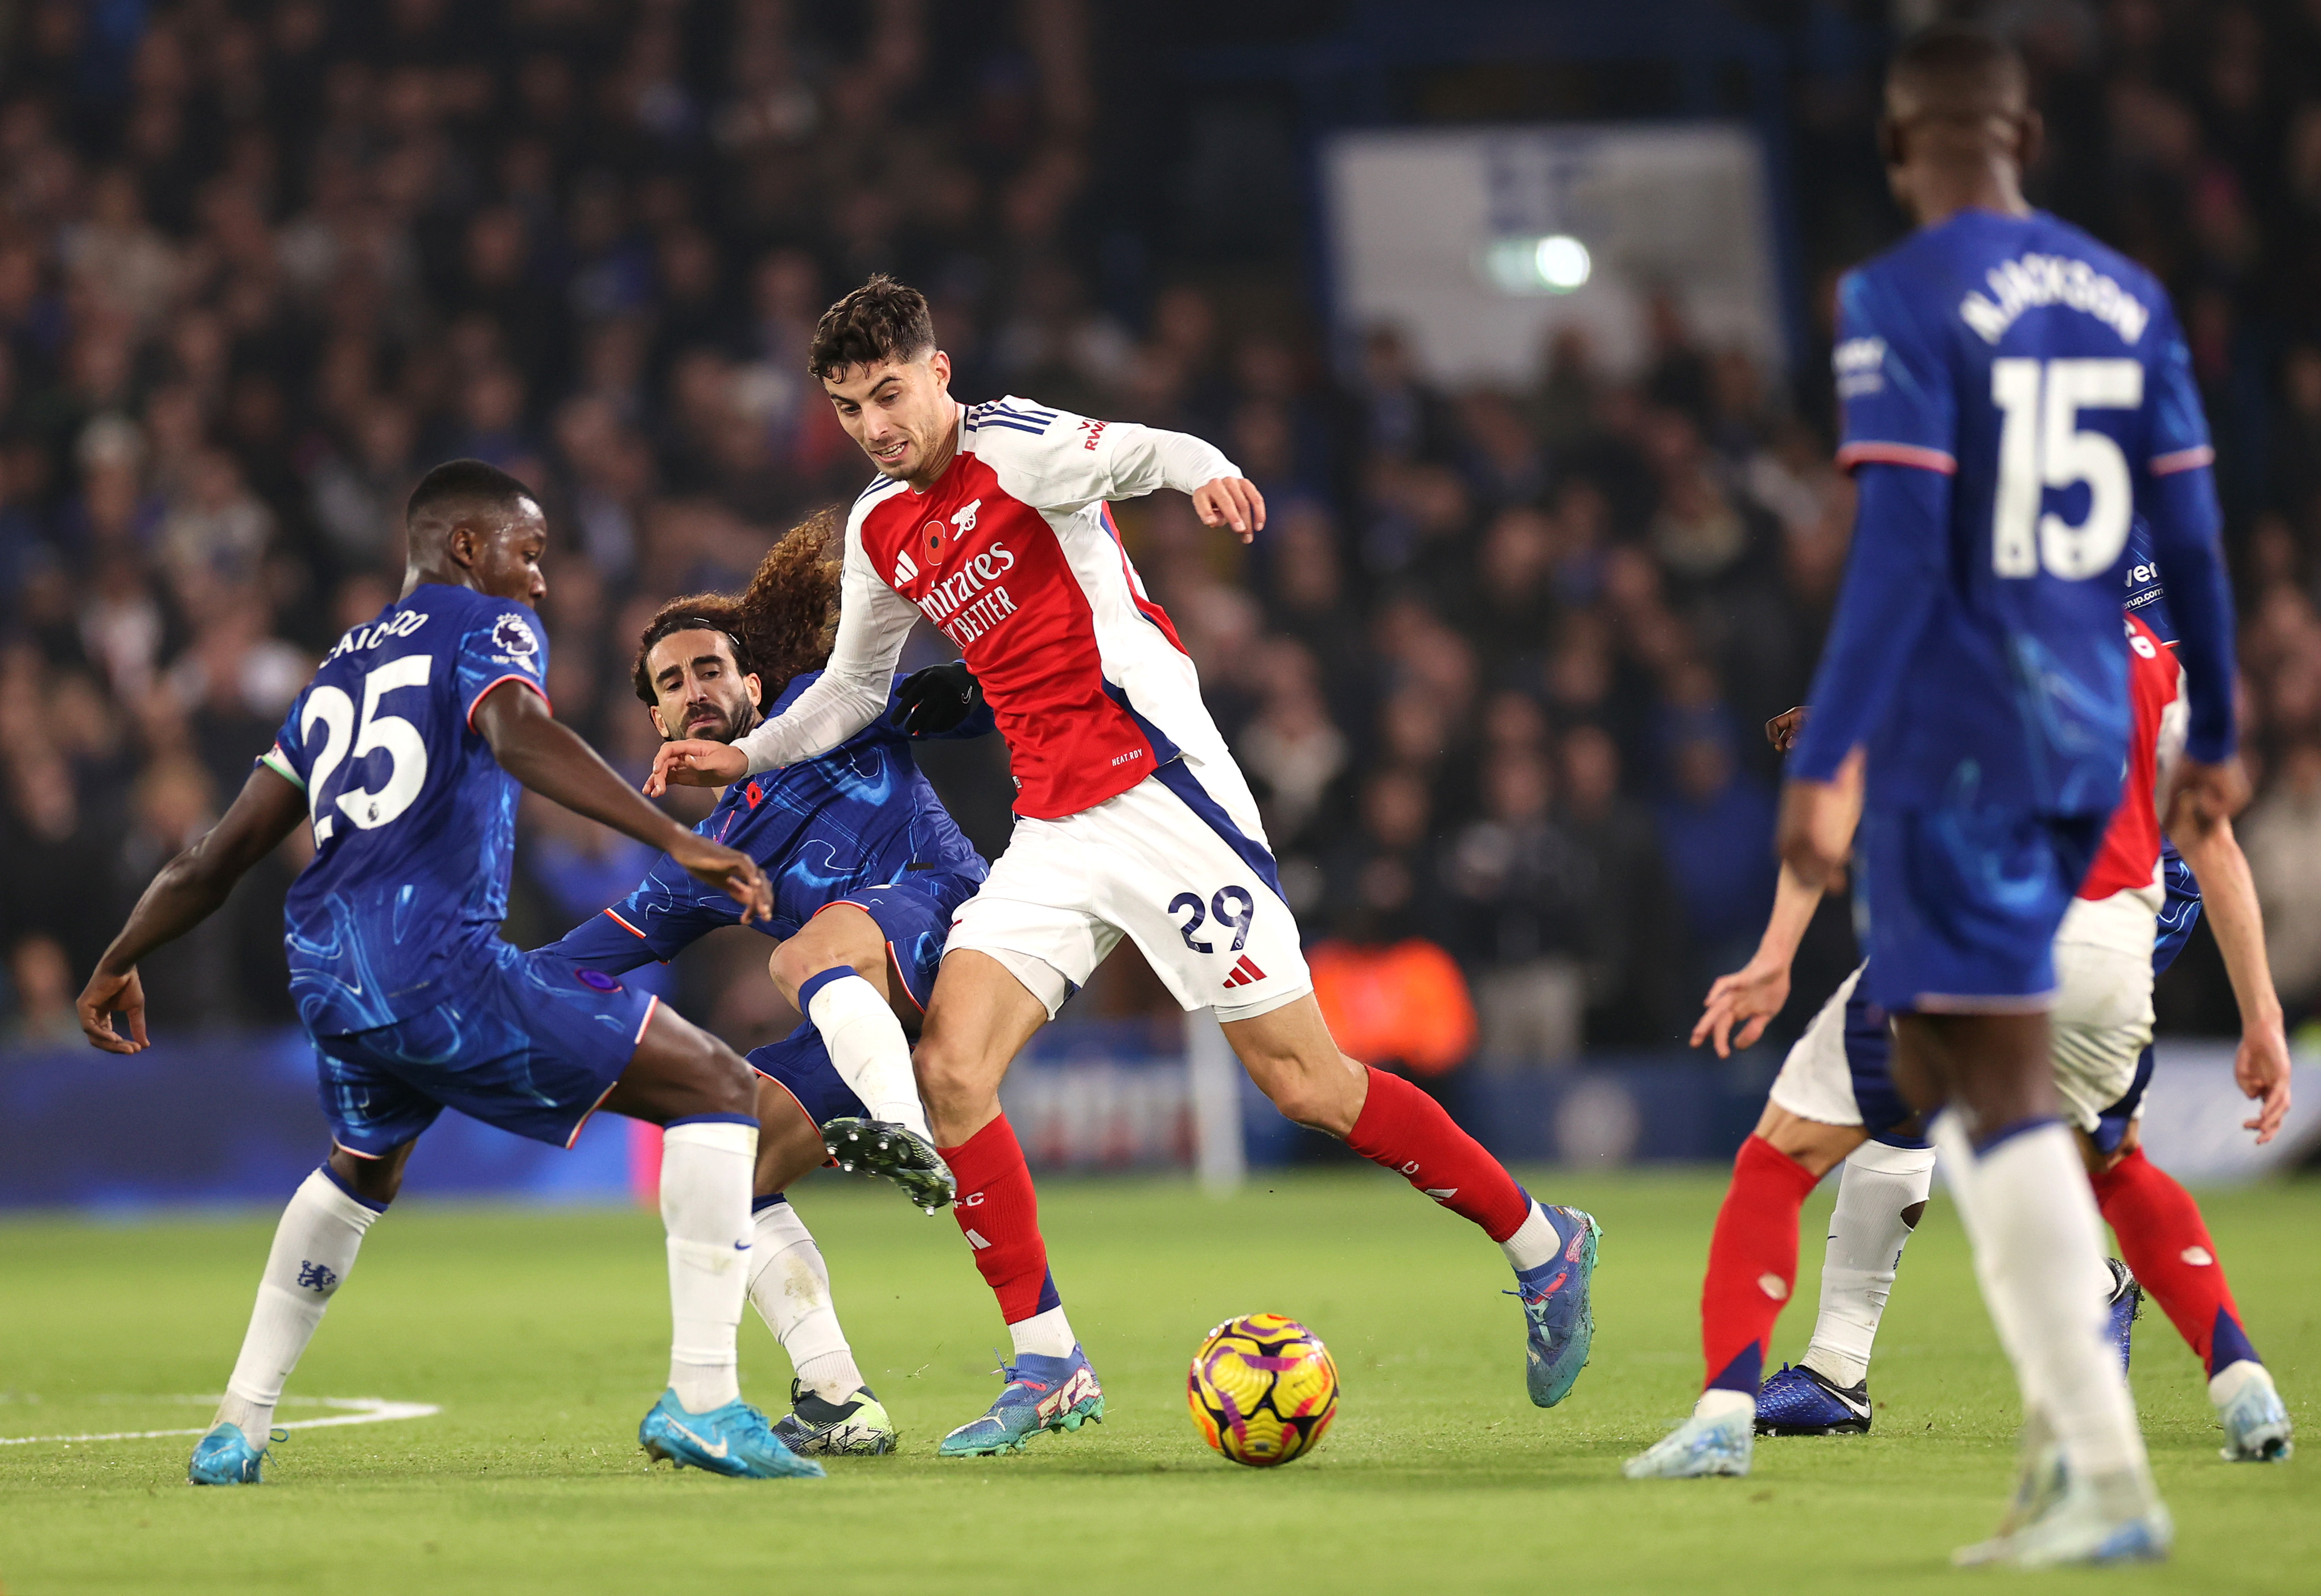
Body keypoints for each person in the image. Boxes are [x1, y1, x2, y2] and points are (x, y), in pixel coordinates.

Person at [645, 276, 1602, 1458]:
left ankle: (1539, 1242)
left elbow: (1145, 446)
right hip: (1052, 828)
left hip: (1159, 799)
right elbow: (850, 690)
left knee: (1306, 1083)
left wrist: (1205, 473)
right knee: (951, 1067)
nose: (875, 427)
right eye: (848, 409)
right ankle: (1046, 1358)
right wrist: (740, 749)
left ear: (937, 371)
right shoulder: (878, 525)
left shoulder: (1016, 449)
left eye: (888, 394)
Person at [1628, 26, 2244, 1569]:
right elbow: (2195, 536)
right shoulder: (2129, 300)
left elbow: (1899, 542)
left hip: (1960, 764)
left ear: (1901, 151)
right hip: (2088, 756)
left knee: (1827, 1133)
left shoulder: (1894, 297)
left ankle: (1775, 1405)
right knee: (2004, 1118)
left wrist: (1829, 750)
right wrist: (2221, 721)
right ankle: (2095, 1463)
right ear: (2023, 131)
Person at [74, 460, 823, 1484]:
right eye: (531, 552)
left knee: (361, 1166)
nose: (543, 581)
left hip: (331, 977)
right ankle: (703, 1398)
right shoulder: (484, 625)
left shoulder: (336, 670)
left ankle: (236, 1426)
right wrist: (674, 838)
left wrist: (118, 958)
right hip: (437, 965)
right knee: (719, 1087)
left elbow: (217, 855)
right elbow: (520, 733)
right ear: (467, 548)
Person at [1742, 553, 2294, 1464]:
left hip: (2115, 879)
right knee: (1938, 1093)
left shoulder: (2112, 543)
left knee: (2030, 1126)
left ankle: (2144, 1346)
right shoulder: (2024, 518)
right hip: (2008, 859)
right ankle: (1848, 1367)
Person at [534, 510, 996, 1455]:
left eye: (709, 669)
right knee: (720, 1164)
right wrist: (450, 995)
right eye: (672, 683)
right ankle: (838, 1396)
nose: (694, 689)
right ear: (657, 722)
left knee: (804, 954)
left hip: (955, 932)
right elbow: (567, 965)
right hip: (864, 1022)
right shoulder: (707, 860)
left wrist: (963, 692)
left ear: (752, 682)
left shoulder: (841, 709)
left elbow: (990, 703)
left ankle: (905, 1132)